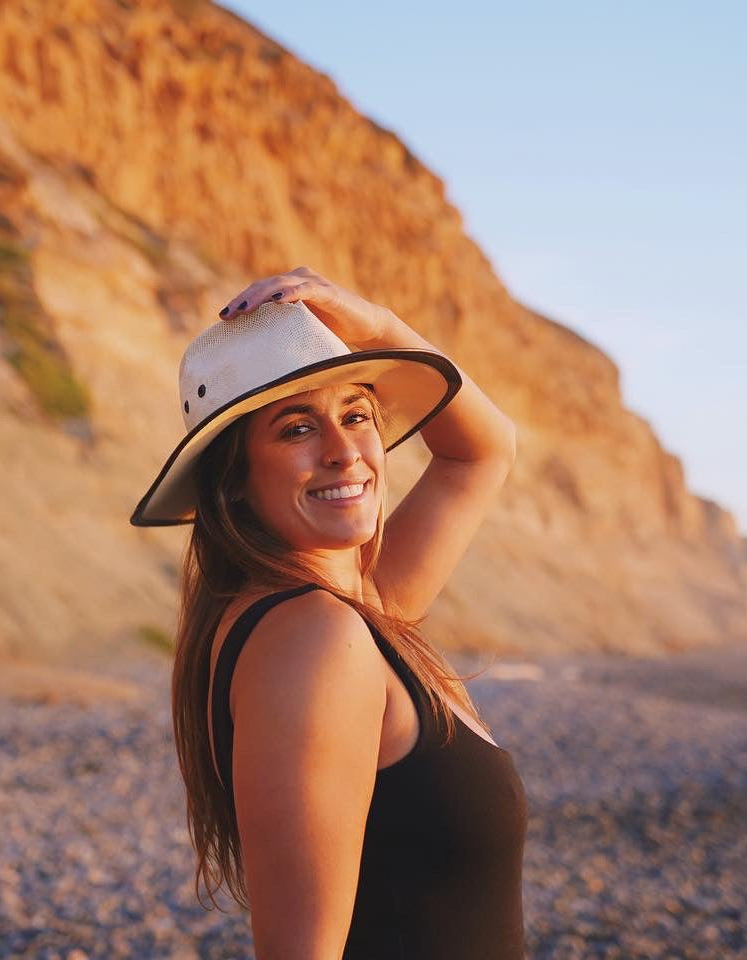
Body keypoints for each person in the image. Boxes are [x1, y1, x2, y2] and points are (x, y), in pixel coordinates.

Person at [130, 266, 526, 959]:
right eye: (297, 429)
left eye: (356, 415)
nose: (345, 452)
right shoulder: (315, 637)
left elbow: (483, 450)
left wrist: (380, 327)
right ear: (234, 479)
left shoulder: (360, 610)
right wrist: (381, 337)